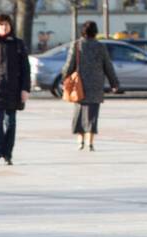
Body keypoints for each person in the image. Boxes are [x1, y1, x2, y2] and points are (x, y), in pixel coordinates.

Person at [61, 21, 120, 151]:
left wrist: (64, 77)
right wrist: (114, 83)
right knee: (92, 113)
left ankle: (80, 141)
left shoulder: (77, 45)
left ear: (82, 31)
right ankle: (90, 142)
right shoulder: (101, 47)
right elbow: (108, 66)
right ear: (95, 32)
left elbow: (69, 64)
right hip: (96, 84)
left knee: (79, 112)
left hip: (79, 84)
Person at [0, 13, 30, 165]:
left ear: (11, 26)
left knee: (11, 123)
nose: (4, 27)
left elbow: (25, 68)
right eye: (1, 25)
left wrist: (25, 89)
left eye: (6, 24)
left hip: (14, 89)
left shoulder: (18, 44)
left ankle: (8, 153)